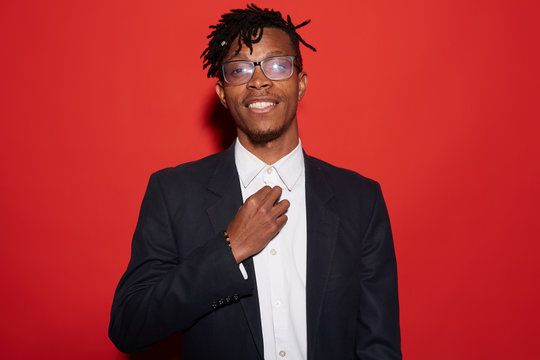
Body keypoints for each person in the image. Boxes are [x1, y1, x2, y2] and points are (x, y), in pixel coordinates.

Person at [109, 4, 401, 360]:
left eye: (278, 65)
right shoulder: (173, 194)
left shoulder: (361, 200)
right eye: (239, 69)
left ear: (301, 83)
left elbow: (378, 346)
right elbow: (129, 325)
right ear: (222, 94)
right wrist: (228, 250)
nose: (259, 80)